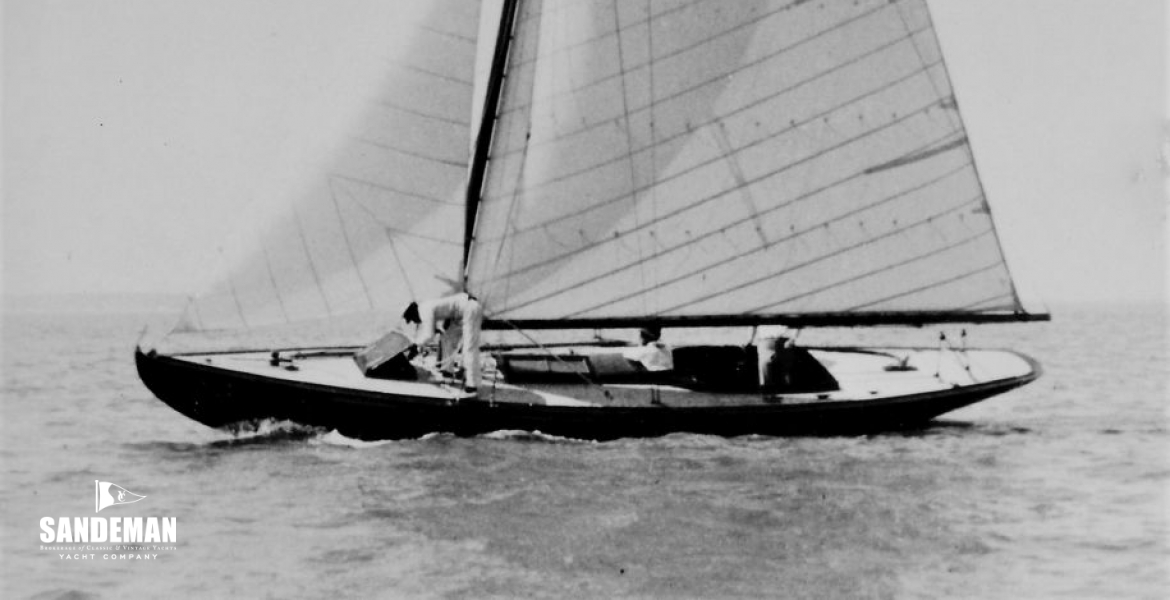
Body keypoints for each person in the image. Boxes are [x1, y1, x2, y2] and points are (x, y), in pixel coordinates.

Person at [403, 292, 482, 394]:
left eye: (413, 319)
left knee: (469, 347)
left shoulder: (424, 310)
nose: (416, 322)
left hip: (470, 308)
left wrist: (415, 345)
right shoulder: (427, 306)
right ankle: (448, 372)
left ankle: (472, 384)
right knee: (447, 339)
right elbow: (439, 326)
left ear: (413, 312)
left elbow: (428, 334)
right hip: (459, 313)